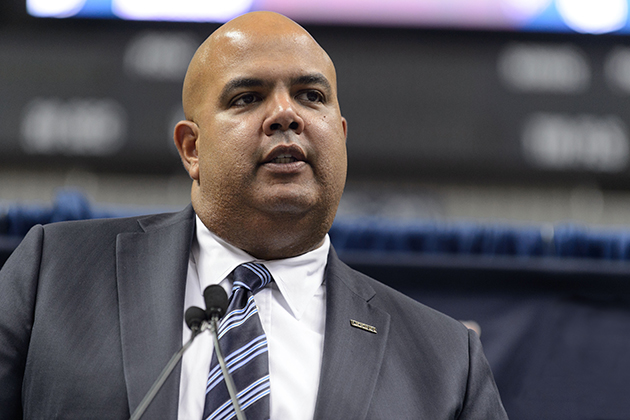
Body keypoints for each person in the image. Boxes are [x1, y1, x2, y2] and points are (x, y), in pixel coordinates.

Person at [0, 11, 508, 420]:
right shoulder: (53, 274)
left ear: (342, 137)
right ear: (192, 148)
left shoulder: (444, 361)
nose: (286, 115)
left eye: (311, 96)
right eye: (248, 97)